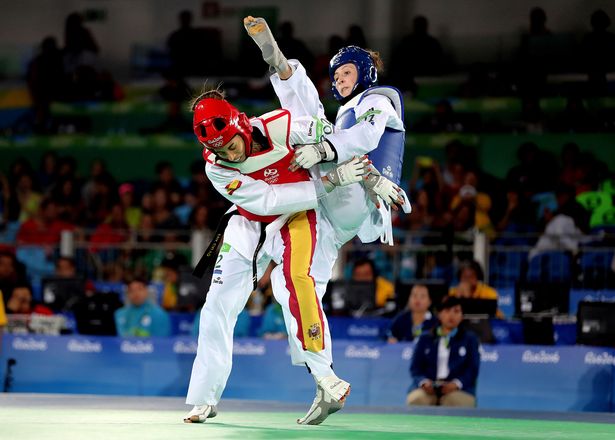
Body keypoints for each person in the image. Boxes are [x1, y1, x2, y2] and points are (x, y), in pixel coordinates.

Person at [184, 16, 410, 426]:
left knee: (293, 284)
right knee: (217, 304)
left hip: (297, 217)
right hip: (249, 222)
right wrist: (330, 183)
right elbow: (266, 199)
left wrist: (366, 175)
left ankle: (326, 378)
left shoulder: (282, 125)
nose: (230, 155)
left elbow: (335, 139)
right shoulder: (216, 167)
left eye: (231, 145)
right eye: (220, 151)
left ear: (240, 125)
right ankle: (204, 398)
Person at [407, 296, 480, 407]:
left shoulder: (470, 339)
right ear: (439, 314)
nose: (451, 315)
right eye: (447, 310)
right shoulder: (425, 338)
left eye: (456, 311)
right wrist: (424, 382)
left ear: (462, 316)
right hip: (428, 388)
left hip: (460, 389)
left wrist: (456, 384)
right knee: (417, 400)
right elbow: (415, 369)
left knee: (453, 402)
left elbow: (472, 369)